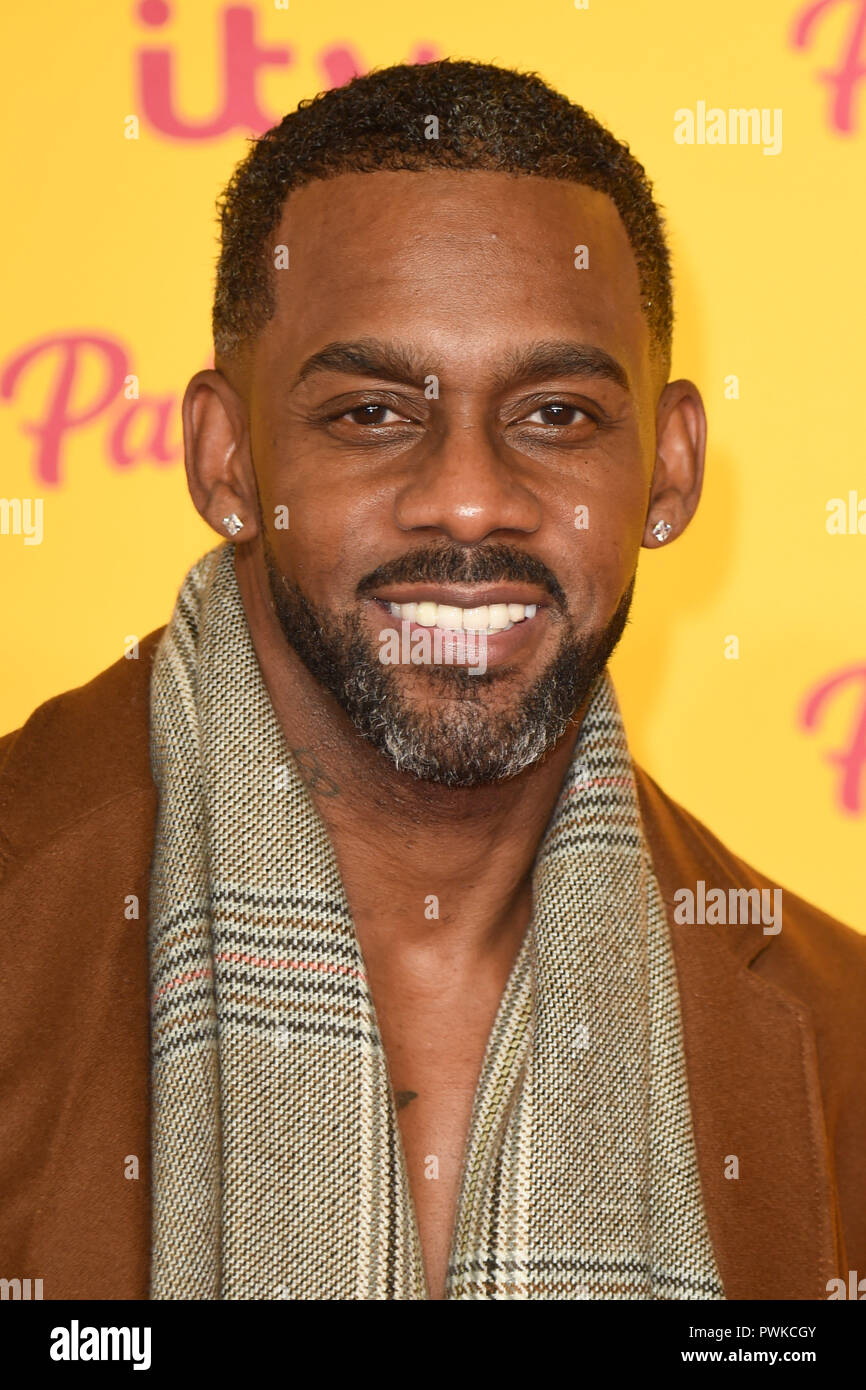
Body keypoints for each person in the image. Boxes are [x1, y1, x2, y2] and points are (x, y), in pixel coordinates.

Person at [1, 59, 864, 1303]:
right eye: (369, 414)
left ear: (668, 471)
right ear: (224, 456)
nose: (469, 495)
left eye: (557, 414)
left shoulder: (834, 1035)